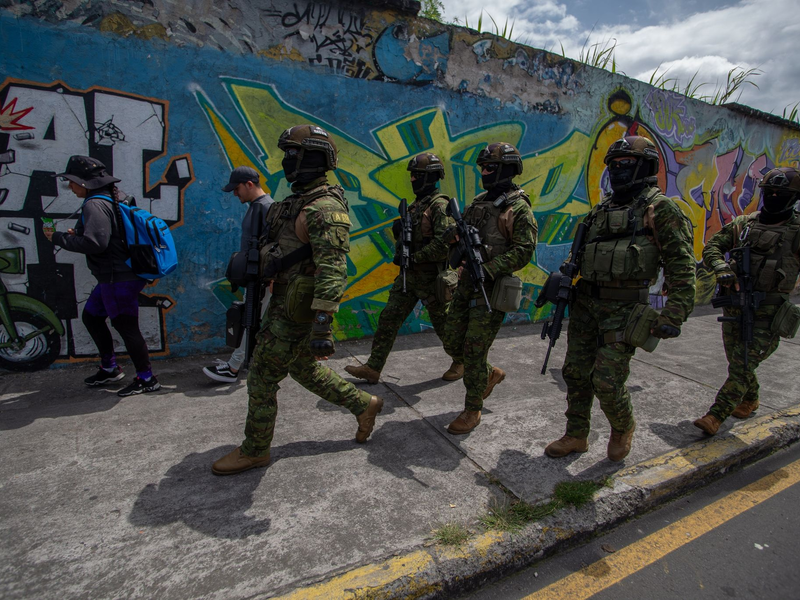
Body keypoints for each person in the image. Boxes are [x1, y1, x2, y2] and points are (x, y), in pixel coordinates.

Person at [212, 124, 383, 476]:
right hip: (282, 301)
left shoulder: (324, 207)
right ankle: (363, 403)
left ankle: (256, 449)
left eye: (293, 154)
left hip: (299, 311)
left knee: (260, 375)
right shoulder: (292, 203)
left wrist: (323, 325)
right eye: (286, 153)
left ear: (314, 158)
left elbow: (333, 269)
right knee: (301, 367)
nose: (287, 161)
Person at [544, 136, 695, 461]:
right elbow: (579, 259)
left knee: (607, 381)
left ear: (646, 167)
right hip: (586, 306)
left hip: (625, 310)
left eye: (626, 164)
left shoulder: (660, 209)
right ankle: (576, 435)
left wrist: (674, 314)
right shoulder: (600, 211)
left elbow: (682, 266)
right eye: (613, 165)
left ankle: (623, 425)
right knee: (575, 373)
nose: (618, 171)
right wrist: (560, 286)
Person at [694, 167, 800, 435]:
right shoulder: (744, 225)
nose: (774, 196)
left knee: (743, 364)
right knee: (739, 362)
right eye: (769, 192)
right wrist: (720, 267)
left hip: (770, 312)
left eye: (780, 193)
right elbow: (712, 248)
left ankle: (715, 415)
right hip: (735, 304)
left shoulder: (796, 232)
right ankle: (750, 398)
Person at [441, 142, 536, 435]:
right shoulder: (479, 201)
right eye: (482, 167)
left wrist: (489, 268)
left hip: (492, 288)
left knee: (473, 348)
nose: (484, 172)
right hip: (469, 281)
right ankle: (489, 374)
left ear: (507, 170)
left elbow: (524, 251)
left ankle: (472, 410)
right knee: (451, 340)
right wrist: (453, 235)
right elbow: (458, 233)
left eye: (490, 167)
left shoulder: (518, 208)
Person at [45, 155, 160, 397]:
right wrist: (78, 232)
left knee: (127, 328)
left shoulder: (93, 204)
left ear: (84, 183)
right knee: (92, 317)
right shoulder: (117, 198)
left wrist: (59, 238)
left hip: (117, 278)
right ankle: (109, 368)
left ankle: (147, 379)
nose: (70, 187)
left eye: (72, 182)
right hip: (120, 275)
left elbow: (96, 243)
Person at [345, 152, 463, 385]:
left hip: (433, 279)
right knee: (389, 318)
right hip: (409, 277)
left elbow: (443, 245)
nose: (413, 180)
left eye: (417, 176)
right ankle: (373, 367)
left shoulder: (440, 206)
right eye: (412, 176)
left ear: (430, 177)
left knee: (444, 327)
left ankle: (461, 361)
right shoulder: (416, 206)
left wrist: (415, 257)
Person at [202, 166, 273, 383]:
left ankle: (233, 368)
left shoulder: (267, 207)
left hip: (263, 279)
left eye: (237, 188)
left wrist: (270, 277)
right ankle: (244, 364)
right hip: (256, 277)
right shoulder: (257, 207)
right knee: (251, 320)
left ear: (249, 184)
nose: (235, 193)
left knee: (250, 320)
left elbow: (274, 245)